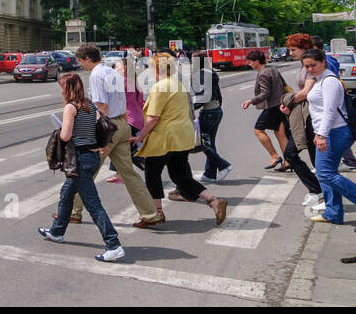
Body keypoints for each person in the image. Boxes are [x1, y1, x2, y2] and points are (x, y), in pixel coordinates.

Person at [38, 72, 125, 261]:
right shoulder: (89, 104)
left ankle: (114, 244)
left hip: (79, 160)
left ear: (68, 88)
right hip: (91, 158)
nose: (60, 90)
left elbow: (66, 136)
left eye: (62, 86)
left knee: (93, 204)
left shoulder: (71, 107)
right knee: (67, 194)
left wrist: (59, 130)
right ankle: (57, 231)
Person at [133, 52, 228, 226]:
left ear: (155, 68)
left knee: (152, 174)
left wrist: (140, 136)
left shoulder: (160, 87)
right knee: (180, 176)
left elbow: (153, 118)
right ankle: (214, 201)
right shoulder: (178, 84)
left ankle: (156, 214)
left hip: (164, 138)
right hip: (182, 136)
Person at [77, 45, 163, 229]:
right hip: (122, 125)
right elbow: (122, 103)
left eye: (80, 60)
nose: (80, 64)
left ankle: (72, 212)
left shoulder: (96, 75)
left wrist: (97, 133)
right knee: (129, 174)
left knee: (85, 170)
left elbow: (102, 106)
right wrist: (122, 125)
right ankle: (151, 214)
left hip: (108, 128)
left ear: (87, 59)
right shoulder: (114, 73)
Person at [301, 47, 356, 224]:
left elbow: (329, 111)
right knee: (327, 173)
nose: (310, 69)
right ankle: (333, 213)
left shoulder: (329, 81)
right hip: (330, 132)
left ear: (323, 62)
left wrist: (321, 135)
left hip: (334, 132)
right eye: (306, 66)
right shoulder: (320, 79)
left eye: (313, 65)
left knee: (325, 174)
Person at [280, 34, 331, 207]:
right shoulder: (305, 65)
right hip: (307, 114)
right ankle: (319, 191)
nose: (290, 52)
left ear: (304, 48)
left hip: (311, 115)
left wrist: (286, 100)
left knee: (296, 154)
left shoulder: (310, 67)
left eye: (293, 49)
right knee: (312, 156)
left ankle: (320, 192)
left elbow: (305, 93)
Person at [241, 49, 289, 170]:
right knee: (280, 134)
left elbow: (266, 93)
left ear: (257, 61)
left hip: (272, 107)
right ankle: (288, 161)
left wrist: (251, 101)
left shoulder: (263, 73)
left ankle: (274, 156)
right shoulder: (273, 69)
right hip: (280, 104)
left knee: (258, 130)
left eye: (250, 62)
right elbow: (284, 86)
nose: (249, 64)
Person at [192, 56, 233, 184]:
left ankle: (223, 165)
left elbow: (203, 97)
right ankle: (209, 174)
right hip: (216, 110)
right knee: (210, 143)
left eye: (194, 59)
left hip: (208, 112)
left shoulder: (201, 75)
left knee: (204, 143)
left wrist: (190, 107)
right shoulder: (211, 72)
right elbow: (218, 94)